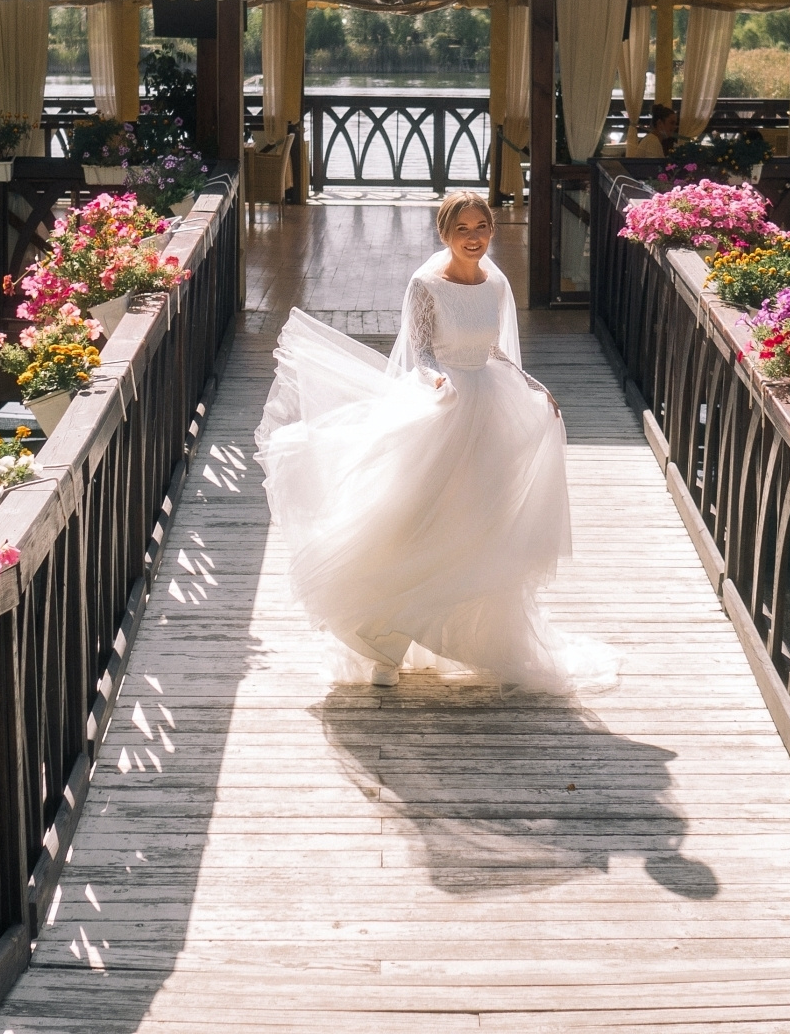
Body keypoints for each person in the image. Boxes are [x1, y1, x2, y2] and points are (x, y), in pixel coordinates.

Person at [254, 190, 618, 692]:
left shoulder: (495, 282)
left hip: (487, 404)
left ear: (492, 230)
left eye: (482, 228)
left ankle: (473, 639)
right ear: (445, 234)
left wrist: (536, 387)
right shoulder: (426, 284)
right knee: (419, 523)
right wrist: (434, 380)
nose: (474, 239)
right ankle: (383, 646)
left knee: (476, 528)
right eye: (463, 230)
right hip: (443, 405)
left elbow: (493, 350)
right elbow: (420, 350)